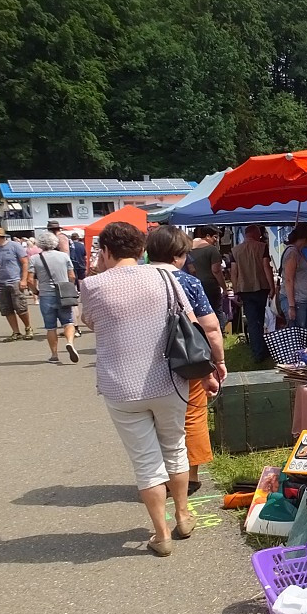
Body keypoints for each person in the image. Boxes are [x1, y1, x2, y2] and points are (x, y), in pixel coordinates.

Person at [80, 221, 218, 557]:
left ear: (106, 251)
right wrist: (210, 369)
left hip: (121, 387)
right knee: (175, 448)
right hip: (169, 379)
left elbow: (90, 322)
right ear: (141, 250)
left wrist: (98, 271)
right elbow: (192, 320)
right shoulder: (167, 277)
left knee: (145, 461)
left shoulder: (93, 285)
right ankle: (183, 517)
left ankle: (161, 534)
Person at [147, 226, 226, 495]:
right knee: (192, 414)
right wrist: (219, 361)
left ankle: (162, 476)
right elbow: (211, 326)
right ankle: (190, 476)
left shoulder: (139, 280)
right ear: (179, 255)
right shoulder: (188, 282)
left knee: (156, 420)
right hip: (186, 360)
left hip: (147, 362)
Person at [26, 231, 78, 364]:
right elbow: (72, 276)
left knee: (50, 327)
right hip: (63, 294)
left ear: (40, 244)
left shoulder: (35, 259)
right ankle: (70, 342)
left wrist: (36, 292)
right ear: (55, 242)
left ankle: (54, 355)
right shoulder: (64, 256)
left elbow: (30, 280)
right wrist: (68, 287)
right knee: (68, 321)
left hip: (45, 295)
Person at [230, 224, 275, 362]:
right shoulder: (262, 247)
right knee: (260, 320)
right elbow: (266, 267)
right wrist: (272, 286)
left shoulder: (235, 250)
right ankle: (260, 350)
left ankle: (257, 351)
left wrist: (236, 289)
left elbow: (234, 272)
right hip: (261, 287)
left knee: (252, 321)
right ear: (256, 234)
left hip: (244, 289)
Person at [0, 226, 33, 341]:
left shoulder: (14, 246)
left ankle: (28, 327)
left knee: (20, 306)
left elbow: (25, 262)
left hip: (15, 280)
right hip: (1, 282)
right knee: (6, 308)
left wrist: (24, 279)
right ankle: (16, 332)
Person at [279, 223, 307, 330]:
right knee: (300, 334)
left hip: (304, 299)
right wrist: (291, 306)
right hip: (297, 300)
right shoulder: (292, 253)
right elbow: (289, 279)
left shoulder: (298, 252)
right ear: (306, 237)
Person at [191, 225, 227, 332]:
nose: (216, 240)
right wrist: (224, 287)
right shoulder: (212, 250)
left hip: (195, 285)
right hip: (211, 285)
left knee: (199, 312)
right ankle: (219, 333)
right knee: (216, 310)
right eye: (215, 237)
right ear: (207, 236)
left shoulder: (189, 250)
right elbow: (216, 270)